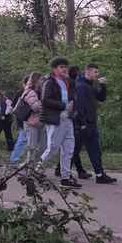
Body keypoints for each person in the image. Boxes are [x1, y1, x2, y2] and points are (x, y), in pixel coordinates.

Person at [40, 57, 81, 189]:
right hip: (55, 120)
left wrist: (73, 111)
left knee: (69, 149)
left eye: (65, 67)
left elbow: (73, 100)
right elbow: (45, 100)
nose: (64, 69)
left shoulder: (68, 82)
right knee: (53, 148)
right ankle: (36, 171)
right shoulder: (49, 82)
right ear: (54, 69)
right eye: (61, 67)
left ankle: (65, 177)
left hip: (68, 119)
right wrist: (63, 106)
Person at [73, 64, 116, 184]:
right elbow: (80, 106)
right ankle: (61, 173)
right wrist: (82, 123)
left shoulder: (89, 85)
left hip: (91, 123)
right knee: (73, 150)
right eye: (96, 72)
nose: (98, 74)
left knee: (94, 150)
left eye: (98, 72)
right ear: (88, 72)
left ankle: (100, 175)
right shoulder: (81, 86)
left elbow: (101, 98)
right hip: (83, 124)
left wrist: (103, 85)